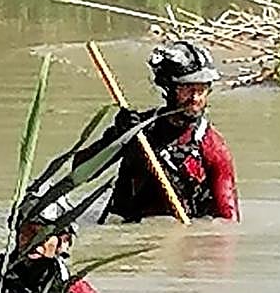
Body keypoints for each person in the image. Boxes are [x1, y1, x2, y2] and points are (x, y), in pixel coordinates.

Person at [84, 40, 240, 223]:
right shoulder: (137, 131)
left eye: (202, 89)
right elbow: (82, 171)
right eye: (187, 89)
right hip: (128, 230)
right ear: (168, 88)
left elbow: (228, 220)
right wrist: (116, 139)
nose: (195, 98)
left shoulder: (213, 147)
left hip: (184, 240)